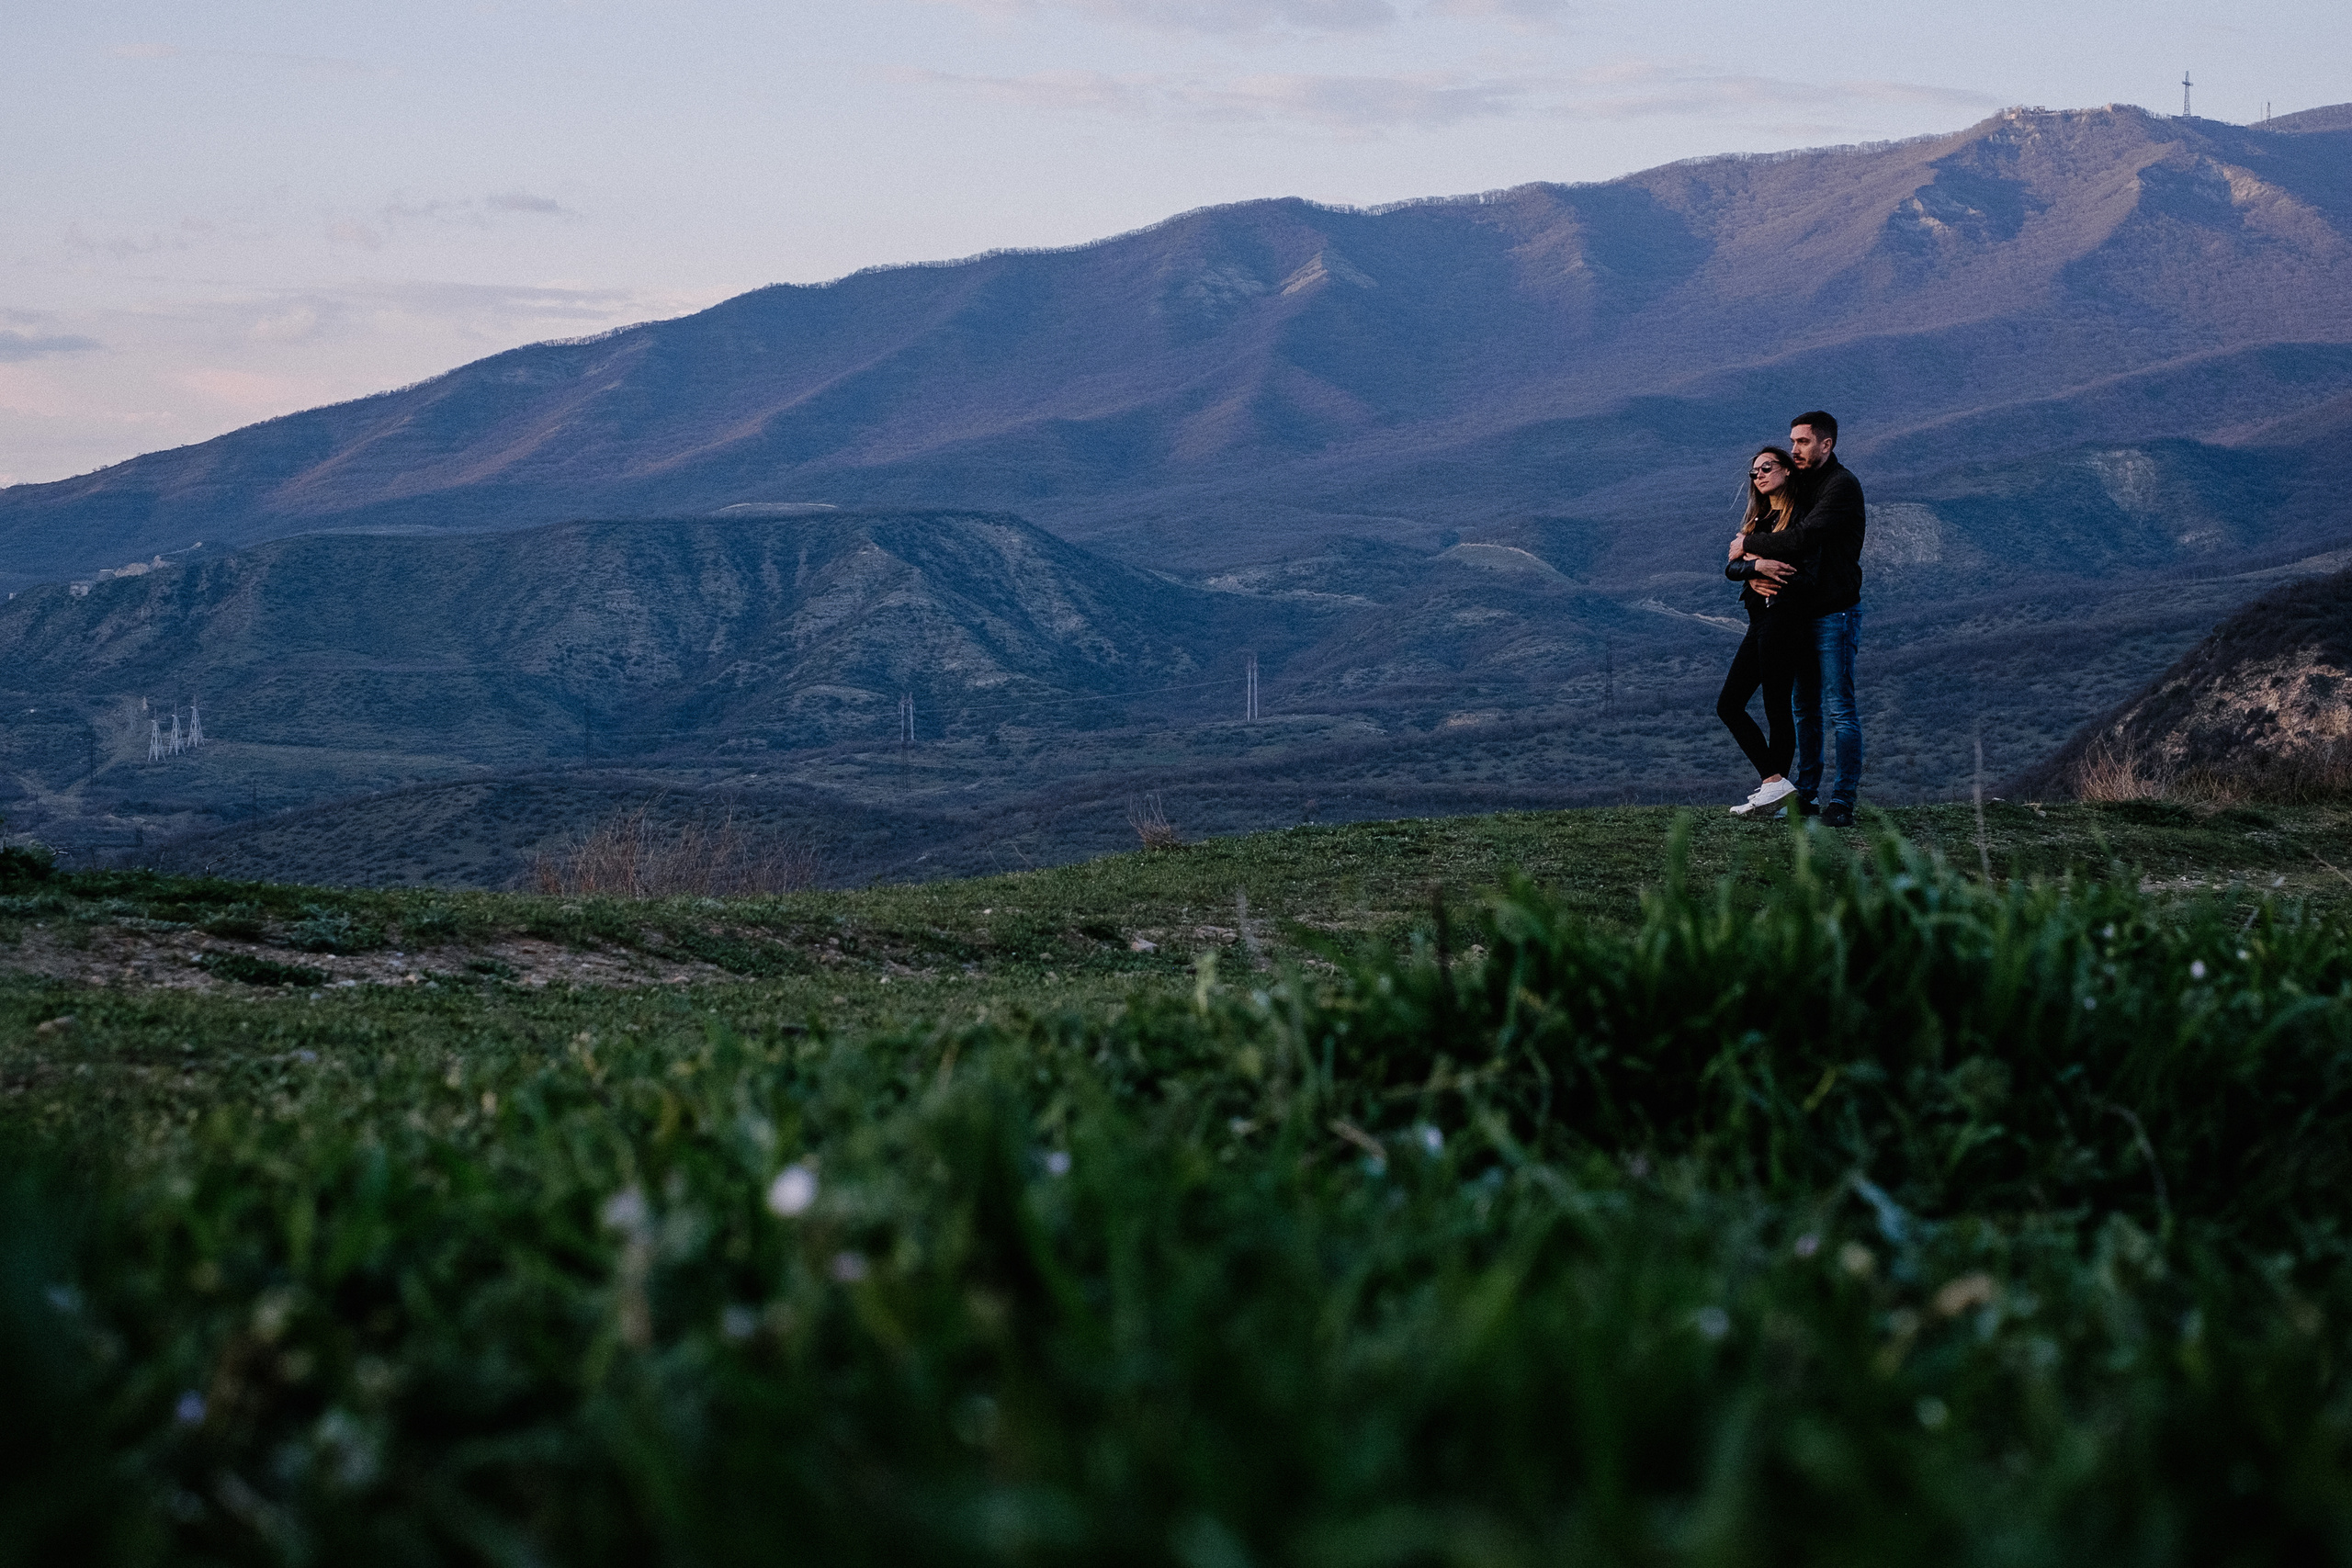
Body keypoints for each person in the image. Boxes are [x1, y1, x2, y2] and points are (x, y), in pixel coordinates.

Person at [1741, 411, 1866, 826]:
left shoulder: (1840, 486)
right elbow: (1782, 538)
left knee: (1839, 709)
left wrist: (1746, 545)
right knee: (1804, 708)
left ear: (1826, 444)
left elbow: (1802, 539)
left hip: (1835, 612)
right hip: (1798, 614)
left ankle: (1843, 801)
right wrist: (1754, 570)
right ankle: (1806, 795)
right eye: (1792, 442)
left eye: (1804, 442)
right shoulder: (1800, 485)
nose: (1795, 449)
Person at [1718, 446, 1804, 816]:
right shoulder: (1760, 520)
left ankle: (1775, 787)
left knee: (1776, 706)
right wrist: (1755, 570)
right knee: (1730, 704)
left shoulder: (1800, 518)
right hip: (1760, 620)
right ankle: (1775, 784)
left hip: (1785, 617)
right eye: (1754, 472)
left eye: (1767, 468)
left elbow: (1791, 565)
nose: (1759, 476)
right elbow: (1730, 568)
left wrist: (1755, 560)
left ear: (1786, 469)